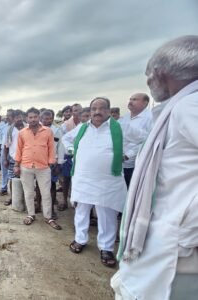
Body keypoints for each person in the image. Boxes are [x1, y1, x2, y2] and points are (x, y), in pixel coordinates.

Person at [112, 35, 198, 300]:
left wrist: (188, 223)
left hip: (176, 244)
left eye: (147, 76)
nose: (148, 83)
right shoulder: (180, 107)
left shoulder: (189, 105)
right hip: (170, 238)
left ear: (160, 73)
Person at [62, 97, 127, 268]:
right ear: (90, 111)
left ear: (108, 110)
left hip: (108, 180)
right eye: (94, 109)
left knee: (107, 213)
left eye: (102, 108)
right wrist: (73, 151)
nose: (97, 112)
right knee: (82, 210)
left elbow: (141, 142)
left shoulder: (119, 127)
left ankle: (106, 247)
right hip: (84, 178)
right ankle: (80, 239)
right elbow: (66, 140)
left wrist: (128, 154)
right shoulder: (82, 128)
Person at [13, 107, 62, 230]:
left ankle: (48, 217)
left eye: (35, 117)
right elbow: (19, 150)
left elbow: (51, 148)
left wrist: (52, 162)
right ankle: (31, 215)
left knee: (46, 193)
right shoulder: (22, 132)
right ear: (26, 118)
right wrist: (16, 165)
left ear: (39, 117)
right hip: (26, 166)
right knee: (29, 193)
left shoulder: (48, 131)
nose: (33, 119)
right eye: (30, 117)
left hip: (43, 167)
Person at [118, 93, 152, 187]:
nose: (130, 102)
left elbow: (149, 141)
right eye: (130, 99)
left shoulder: (150, 118)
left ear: (145, 103)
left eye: (135, 99)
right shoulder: (124, 118)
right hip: (120, 164)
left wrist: (128, 155)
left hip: (136, 165)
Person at [35, 109, 65, 214]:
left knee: (52, 186)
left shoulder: (57, 130)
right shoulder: (36, 129)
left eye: (50, 119)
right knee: (38, 185)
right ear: (41, 119)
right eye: (45, 119)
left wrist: (60, 163)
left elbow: (61, 147)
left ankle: (51, 209)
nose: (48, 121)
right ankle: (38, 205)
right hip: (39, 161)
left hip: (52, 162)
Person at [3, 110, 25, 206]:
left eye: (20, 117)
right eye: (16, 117)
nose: (19, 119)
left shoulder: (28, 128)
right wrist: (5, 159)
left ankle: (26, 198)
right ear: (13, 119)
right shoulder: (10, 130)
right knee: (12, 179)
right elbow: (5, 146)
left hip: (26, 159)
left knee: (27, 180)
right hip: (13, 158)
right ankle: (12, 197)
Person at [0, 110, 12, 196]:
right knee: (4, 170)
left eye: (9, 116)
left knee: (13, 172)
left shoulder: (17, 128)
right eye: (7, 115)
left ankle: (12, 191)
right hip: (4, 149)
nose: (7, 117)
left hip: (13, 151)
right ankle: (4, 188)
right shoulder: (4, 126)